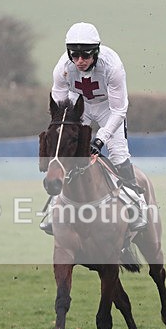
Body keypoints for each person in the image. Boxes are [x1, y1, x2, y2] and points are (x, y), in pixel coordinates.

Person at [40, 22, 147, 234]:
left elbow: (119, 110)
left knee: (118, 154)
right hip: (79, 106)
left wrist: (100, 140)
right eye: (74, 55)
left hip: (108, 108)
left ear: (96, 52)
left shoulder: (112, 67)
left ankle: (137, 205)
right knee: (66, 154)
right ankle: (53, 206)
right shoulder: (62, 68)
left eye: (85, 55)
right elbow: (59, 110)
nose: (80, 61)